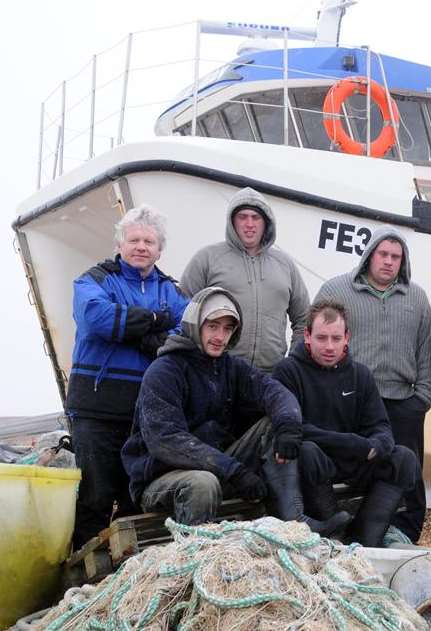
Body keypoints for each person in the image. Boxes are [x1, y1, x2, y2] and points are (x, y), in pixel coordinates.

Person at [121, 287, 348, 535]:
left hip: (217, 466)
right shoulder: (164, 371)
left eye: (228, 328)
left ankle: (294, 522)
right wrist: (234, 470)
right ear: (195, 323)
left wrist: (289, 425)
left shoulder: (231, 367)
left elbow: (276, 393)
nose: (220, 336)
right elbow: (166, 441)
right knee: (202, 484)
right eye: (213, 326)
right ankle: (196, 559)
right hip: (162, 477)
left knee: (275, 423)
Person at [67, 205, 189, 547]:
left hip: (144, 414)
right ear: (120, 244)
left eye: (149, 241)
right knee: (95, 495)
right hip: (95, 407)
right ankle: (82, 568)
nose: (141, 246)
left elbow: (186, 332)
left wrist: (133, 329)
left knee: (135, 496)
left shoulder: (172, 291)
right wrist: (153, 322)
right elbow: (95, 318)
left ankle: (127, 572)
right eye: (134, 239)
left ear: (160, 249)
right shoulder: (93, 279)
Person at [315, 227, 431, 542]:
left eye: (396, 257)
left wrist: (422, 397)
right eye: (383, 254)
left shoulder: (417, 298)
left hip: (402, 401)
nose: (389, 262)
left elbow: (427, 350)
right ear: (369, 255)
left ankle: (406, 535)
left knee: (407, 472)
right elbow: (312, 336)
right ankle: (350, 532)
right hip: (352, 398)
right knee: (355, 467)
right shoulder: (336, 290)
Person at [273, 300, 421, 547]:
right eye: (321, 338)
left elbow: (381, 426)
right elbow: (298, 429)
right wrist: (356, 444)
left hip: (355, 461)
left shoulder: (360, 374)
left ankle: (365, 540)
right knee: (307, 451)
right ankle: (335, 532)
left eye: (335, 338)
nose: (329, 346)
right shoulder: (288, 371)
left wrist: (377, 445)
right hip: (318, 463)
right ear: (307, 336)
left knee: (404, 458)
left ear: (347, 338)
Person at [180, 187, 309, 372]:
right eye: (242, 217)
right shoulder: (207, 259)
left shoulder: (285, 265)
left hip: (270, 377)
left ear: (266, 223)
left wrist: (292, 363)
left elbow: (304, 318)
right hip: (217, 372)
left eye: (255, 217)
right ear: (232, 221)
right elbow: (182, 312)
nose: (249, 223)